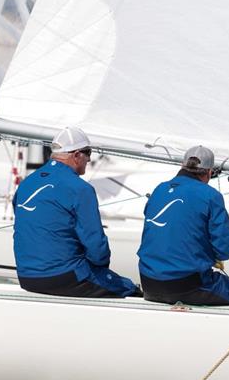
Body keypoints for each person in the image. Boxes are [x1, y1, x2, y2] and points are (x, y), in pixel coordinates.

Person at [12, 127, 140, 297]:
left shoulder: (26, 184)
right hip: (65, 277)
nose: (89, 159)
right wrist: (102, 269)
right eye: (88, 153)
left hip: (26, 278)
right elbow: (96, 247)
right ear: (77, 155)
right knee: (130, 289)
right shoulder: (80, 188)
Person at [137, 146, 229, 305]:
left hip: (149, 284)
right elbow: (224, 251)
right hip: (189, 286)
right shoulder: (210, 195)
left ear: (182, 166)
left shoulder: (159, 189)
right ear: (209, 172)